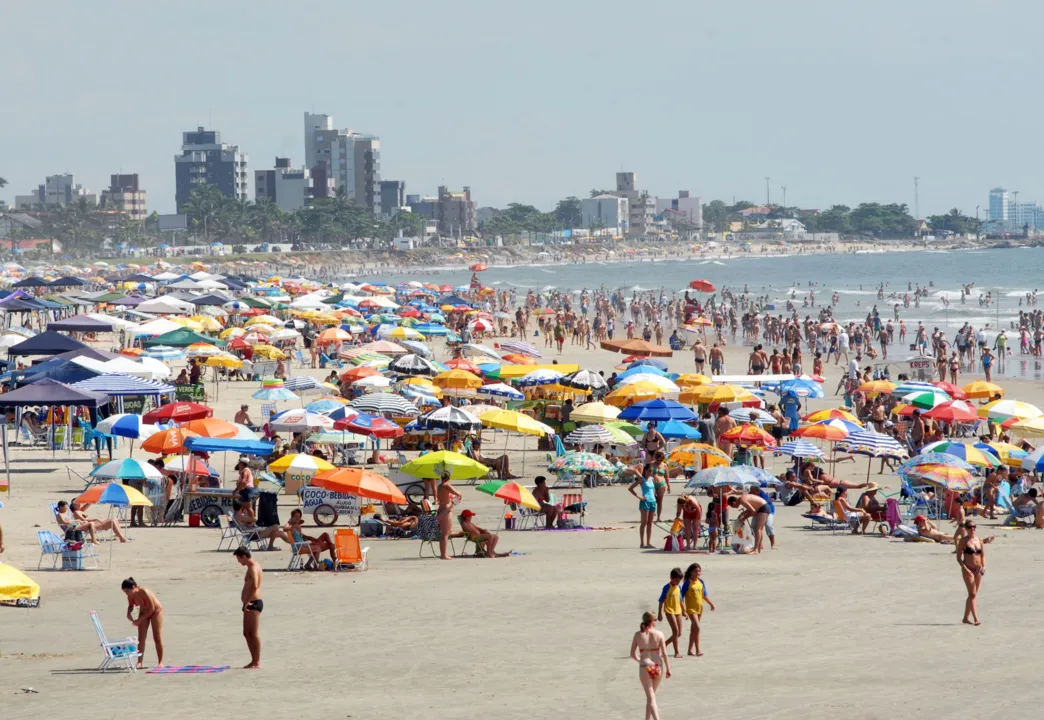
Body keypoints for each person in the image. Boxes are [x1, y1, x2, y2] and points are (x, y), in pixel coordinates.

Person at [629, 611, 670, 720]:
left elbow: (632, 654)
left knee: (651, 699)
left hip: (645, 666)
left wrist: (641, 661)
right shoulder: (660, 634)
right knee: (650, 698)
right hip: (658, 666)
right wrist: (668, 669)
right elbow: (665, 654)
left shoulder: (638, 635)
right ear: (652, 621)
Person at [122, 578, 164, 669]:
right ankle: (139, 662)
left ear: (133, 587)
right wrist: (128, 613)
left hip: (156, 612)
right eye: (125, 592)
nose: (126, 593)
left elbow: (151, 608)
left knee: (157, 637)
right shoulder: (130, 596)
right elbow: (130, 606)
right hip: (143, 613)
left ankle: (160, 662)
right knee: (141, 638)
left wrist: (139, 620)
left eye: (127, 591)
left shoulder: (144, 591)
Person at [234, 547, 263, 668]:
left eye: (239, 559)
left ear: (244, 556)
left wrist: (247, 601)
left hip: (254, 603)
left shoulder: (253, 567)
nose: (238, 562)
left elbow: (255, 585)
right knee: (246, 633)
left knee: (253, 633)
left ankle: (256, 661)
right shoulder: (251, 567)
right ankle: (253, 660)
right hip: (249, 603)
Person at [955, 520, 985, 625]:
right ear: (966, 529)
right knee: (972, 594)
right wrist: (966, 569)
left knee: (973, 594)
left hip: (978, 569)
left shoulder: (979, 540)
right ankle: (976, 618)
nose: (972, 529)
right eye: (970, 527)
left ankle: (965, 618)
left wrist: (983, 566)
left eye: (974, 527)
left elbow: (982, 555)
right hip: (968, 569)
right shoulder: (963, 541)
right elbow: (958, 558)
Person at [682, 563, 715, 656]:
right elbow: (681, 596)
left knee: (694, 629)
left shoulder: (701, 582)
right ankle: (697, 650)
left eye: (699, 571)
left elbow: (704, 595)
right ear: (691, 572)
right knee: (697, 627)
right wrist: (683, 609)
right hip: (691, 609)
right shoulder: (687, 583)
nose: (697, 573)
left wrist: (711, 604)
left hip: (699, 608)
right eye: (695, 571)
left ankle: (689, 650)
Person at [57, 500, 128, 543]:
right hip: (82, 526)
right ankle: (121, 538)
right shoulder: (75, 512)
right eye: (77, 503)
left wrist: (91, 500)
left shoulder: (78, 511)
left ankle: (121, 536)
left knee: (114, 519)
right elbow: (65, 522)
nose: (79, 503)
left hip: (82, 525)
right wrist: (78, 520)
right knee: (112, 520)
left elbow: (86, 506)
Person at [656, 568, 684, 658]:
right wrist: (659, 613)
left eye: (679, 580)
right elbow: (661, 601)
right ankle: (677, 652)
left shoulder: (679, 587)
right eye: (676, 580)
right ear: (671, 578)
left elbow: (681, 600)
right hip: (669, 611)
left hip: (678, 611)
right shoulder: (666, 587)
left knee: (679, 633)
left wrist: (684, 611)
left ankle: (664, 644)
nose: (677, 582)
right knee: (675, 631)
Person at [628, 465, 658, 549]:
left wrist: (655, 497)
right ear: (645, 471)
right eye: (649, 471)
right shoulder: (642, 479)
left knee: (650, 523)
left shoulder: (652, 479)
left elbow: (653, 489)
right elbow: (630, 488)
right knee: (644, 523)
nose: (650, 473)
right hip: (645, 501)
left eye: (651, 471)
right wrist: (639, 496)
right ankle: (642, 543)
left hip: (652, 502)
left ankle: (648, 542)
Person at [436, 471, 462, 560]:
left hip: (440, 508)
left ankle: (443, 554)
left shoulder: (439, 486)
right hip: (446, 510)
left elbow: (439, 499)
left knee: (443, 533)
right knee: (446, 533)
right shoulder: (447, 485)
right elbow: (458, 494)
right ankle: (444, 555)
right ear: (449, 477)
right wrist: (457, 499)